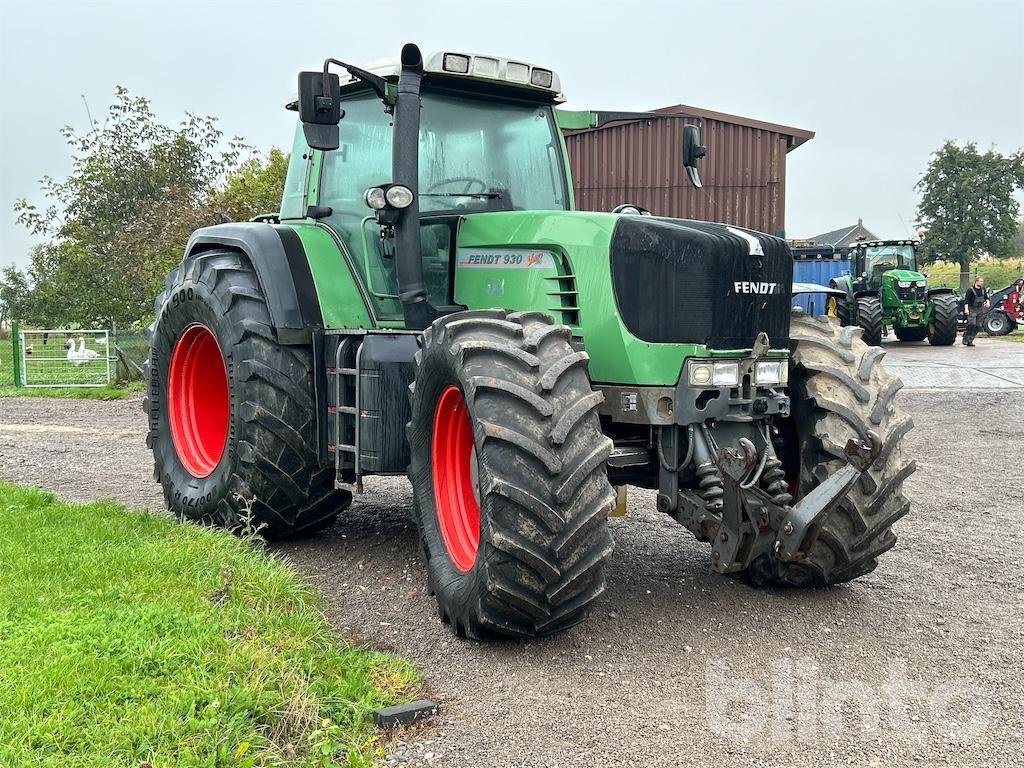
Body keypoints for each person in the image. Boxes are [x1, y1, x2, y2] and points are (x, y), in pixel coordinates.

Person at [962, 275, 990, 346]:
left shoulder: (983, 289)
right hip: (972, 309)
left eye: (982, 281)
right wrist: (966, 309)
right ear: (976, 282)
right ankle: (966, 338)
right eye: (980, 281)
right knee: (972, 324)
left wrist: (988, 302)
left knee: (978, 326)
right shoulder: (970, 290)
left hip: (980, 309)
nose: (982, 283)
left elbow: (986, 298)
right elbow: (966, 301)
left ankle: (970, 340)